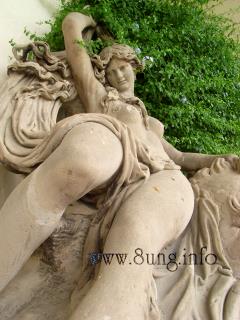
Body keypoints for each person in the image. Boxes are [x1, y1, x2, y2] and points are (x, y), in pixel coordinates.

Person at [0, 12, 237, 320]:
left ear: (135, 68)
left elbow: (178, 158)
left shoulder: (152, 124)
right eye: (111, 72)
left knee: (141, 228)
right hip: (114, 145)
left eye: (123, 68)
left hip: (159, 173)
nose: (119, 76)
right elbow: (76, 51)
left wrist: (223, 159)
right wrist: (75, 22)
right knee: (84, 159)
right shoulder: (101, 97)